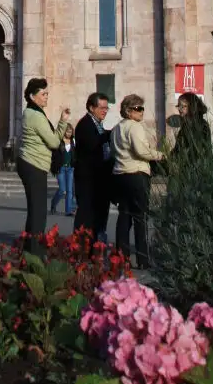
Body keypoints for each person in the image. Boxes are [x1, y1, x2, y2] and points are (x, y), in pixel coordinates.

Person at [16, 78, 70, 255]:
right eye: (43, 94)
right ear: (32, 96)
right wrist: (63, 122)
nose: (46, 97)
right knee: (38, 212)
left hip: (32, 163)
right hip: (34, 165)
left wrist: (61, 122)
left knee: (35, 210)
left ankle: (29, 248)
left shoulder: (33, 113)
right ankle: (35, 253)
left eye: (47, 93)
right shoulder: (35, 115)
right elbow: (54, 142)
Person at [111, 94, 163, 269]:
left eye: (141, 108)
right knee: (140, 217)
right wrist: (159, 155)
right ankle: (142, 259)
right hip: (136, 173)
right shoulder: (135, 127)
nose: (141, 112)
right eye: (137, 108)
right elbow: (141, 150)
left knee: (124, 216)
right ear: (128, 110)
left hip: (119, 175)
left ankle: (122, 257)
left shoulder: (116, 128)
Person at [73, 93, 114, 242]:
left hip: (98, 180)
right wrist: (110, 135)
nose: (104, 111)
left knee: (98, 217)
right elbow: (92, 145)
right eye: (101, 108)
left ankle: (94, 247)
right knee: (86, 217)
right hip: (88, 180)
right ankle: (81, 249)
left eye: (106, 108)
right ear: (91, 107)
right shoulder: (85, 124)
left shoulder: (97, 124)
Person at [170, 93, 211, 165]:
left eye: (183, 106)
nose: (179, 109)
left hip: (196, 168)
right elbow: (178, 149)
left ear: (192, 107)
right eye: (179, 106)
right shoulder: (186, 125)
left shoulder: (201, 124)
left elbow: (199, 150)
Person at [50, 123, 77, 216]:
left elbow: (75, 154)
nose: (69, 134)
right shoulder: (59, 141)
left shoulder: (73, 141)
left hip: (70, 168)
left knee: (69, 190)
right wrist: (54, 167)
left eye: (70, 132)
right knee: (62, 189)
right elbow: (54, 155)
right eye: (67, 132)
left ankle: (68, 211)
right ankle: (53, 204)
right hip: (60, 168)